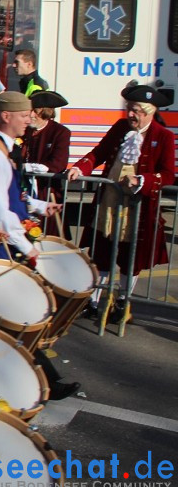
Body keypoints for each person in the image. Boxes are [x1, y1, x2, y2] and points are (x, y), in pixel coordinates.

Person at [67, 84, 175, 321]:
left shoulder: (163, 136)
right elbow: (99, 153)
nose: (130, 115)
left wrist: (142, 180)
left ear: (148, 111)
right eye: (129, 109)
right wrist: (79, 167)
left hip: (138, 208)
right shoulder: (119, 128)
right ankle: (94, 302)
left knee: (130, 257)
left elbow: (168, 173)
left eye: (135, 110)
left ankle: (123, 304)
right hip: (109, 201)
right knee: (102, 252)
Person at [0, 91, 60, 265]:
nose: (29, 120)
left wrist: (40, 205)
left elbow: (11, 195)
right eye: (24, 115)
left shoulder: (2, 149)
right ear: (6, 116)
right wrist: (27, 248)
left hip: (6, 243)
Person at [22, 91, 71, 238]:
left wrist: (26, 168)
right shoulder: (24, 131)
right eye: (29, 111)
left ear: (46, 113)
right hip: (23, 191)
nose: (31, 115)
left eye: (35, 112)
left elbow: (58, 164)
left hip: (46, 192)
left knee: (48, 238)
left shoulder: (60, 133)